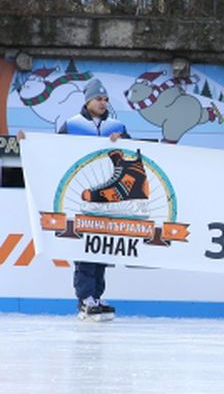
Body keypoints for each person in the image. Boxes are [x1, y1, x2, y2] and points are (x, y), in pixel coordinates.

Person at [60, 78, 129, 321]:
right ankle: (85, 298)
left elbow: (132, 157)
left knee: (102, 245)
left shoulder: (117, 125)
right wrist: (27, 141)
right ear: (88, 100)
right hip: (81, 196)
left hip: (108, 197)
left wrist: (123, 142)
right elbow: (52, 152)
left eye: (106, 99)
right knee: (85, 245)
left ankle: (97, 296)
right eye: (99, 98)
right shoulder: (71, 125)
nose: (103, 102)